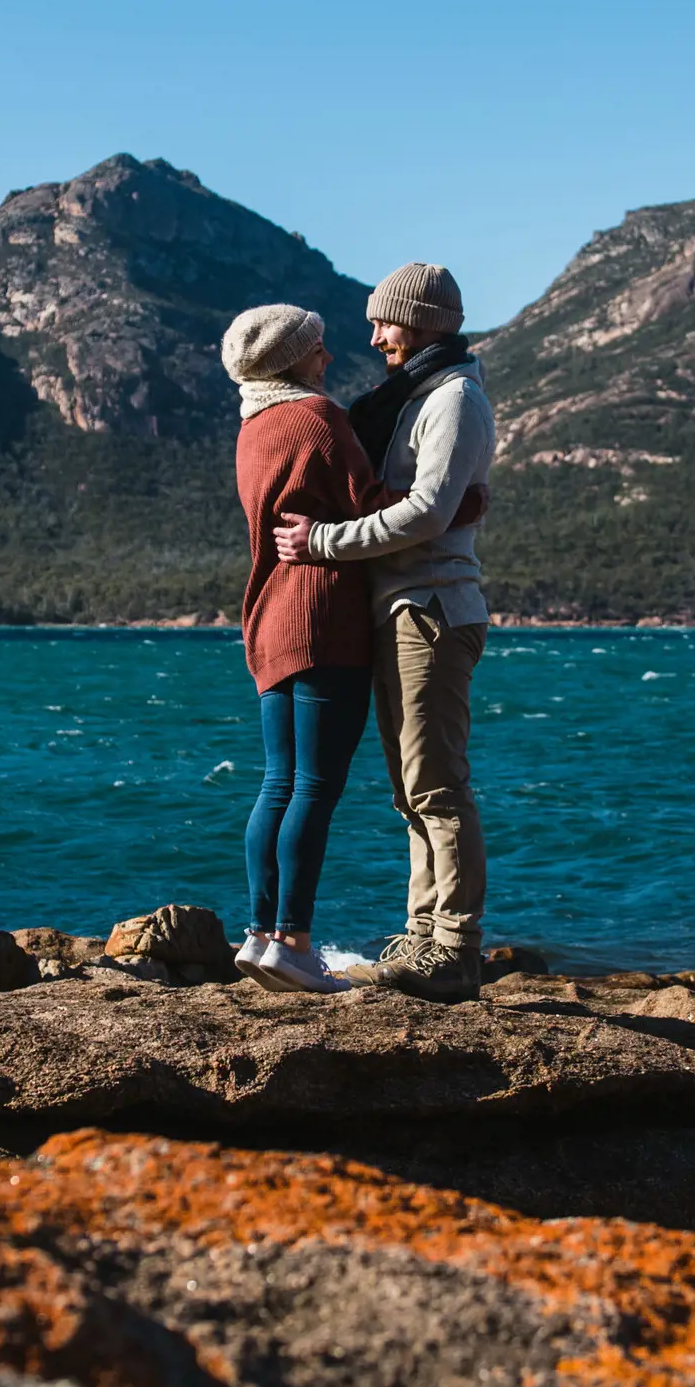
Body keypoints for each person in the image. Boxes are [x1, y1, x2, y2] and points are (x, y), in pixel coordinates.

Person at [272, 262, 494, 1004]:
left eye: (385, 322)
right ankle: (422, 934)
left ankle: (455, 950)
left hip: (431, 607)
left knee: (435, 785)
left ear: (425, 320)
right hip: (400, 608)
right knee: (409, 791)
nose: (373, 336)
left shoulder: (454, 398)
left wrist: (323, 542)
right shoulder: (413, 396)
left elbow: (430, 510)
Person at [222, 302, 379, 994]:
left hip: (268, 616)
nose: (328, 356)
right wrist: (462, 502)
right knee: (315, 784)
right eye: (318, 345)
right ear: (294, 358)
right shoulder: (317, 417)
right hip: (323, 614)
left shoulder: (252, 425)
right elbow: (371, 503)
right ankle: (295, 941)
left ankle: (259, 936)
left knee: (277, 781)